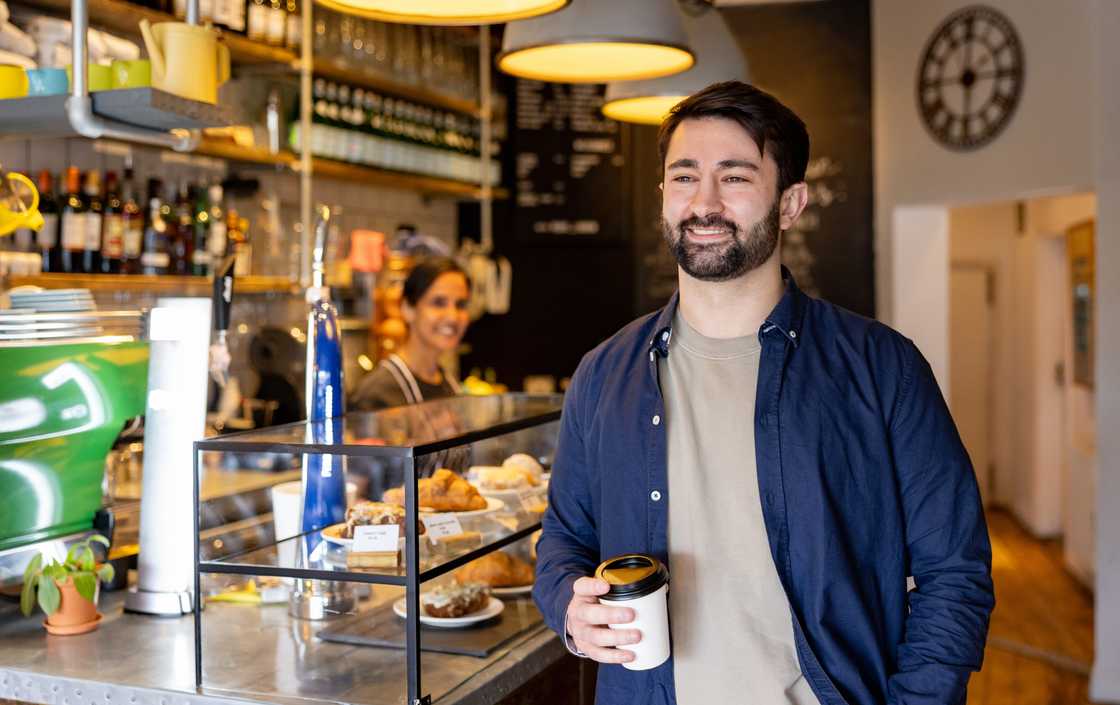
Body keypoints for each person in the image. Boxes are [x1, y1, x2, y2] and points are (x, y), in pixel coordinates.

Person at [533, 81, 994, 705]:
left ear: (790, 202)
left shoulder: (883, 369)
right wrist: (569, 606)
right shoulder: (602, 374)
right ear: (663, 196)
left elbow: (954, 573)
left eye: (736, 177)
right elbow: (564, 539)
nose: (705, 203)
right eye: (684, 177)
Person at [351, 256, 470, 410]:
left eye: (460, 305)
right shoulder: (376, 394)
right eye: (438, 303)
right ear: (407, 309)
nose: (453, 316)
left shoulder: (449, 384)